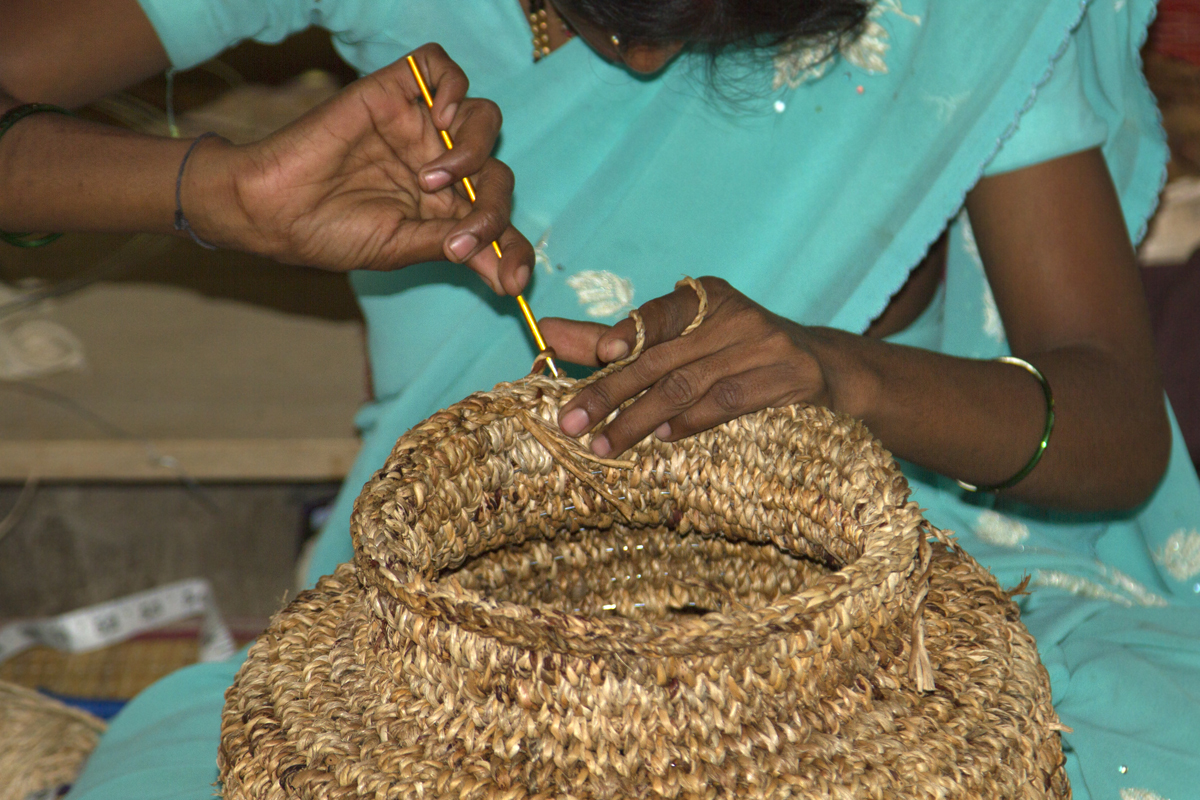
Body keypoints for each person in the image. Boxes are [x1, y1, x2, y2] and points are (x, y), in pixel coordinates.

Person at [2, 0, 1199, 798]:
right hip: (451, 640)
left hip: (900, 617)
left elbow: (1112, 432)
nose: (639, 61)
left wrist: (848, 373)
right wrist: (218, 192)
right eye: (591, 11)